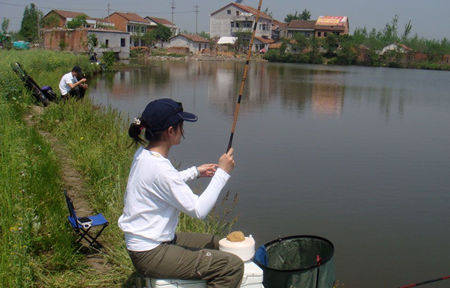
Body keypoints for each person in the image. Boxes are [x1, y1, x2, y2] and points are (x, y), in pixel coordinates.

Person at [118, 98, 244, 288]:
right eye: (181, 125)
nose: (183, 130)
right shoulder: (161, 169)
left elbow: (162, 182)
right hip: (151, 253)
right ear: (171, 131)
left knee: (217, 243)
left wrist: (195, 172)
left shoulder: (144, 155)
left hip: (148, 243)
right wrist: (223, 174)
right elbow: (198, 210)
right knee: (232, 266)